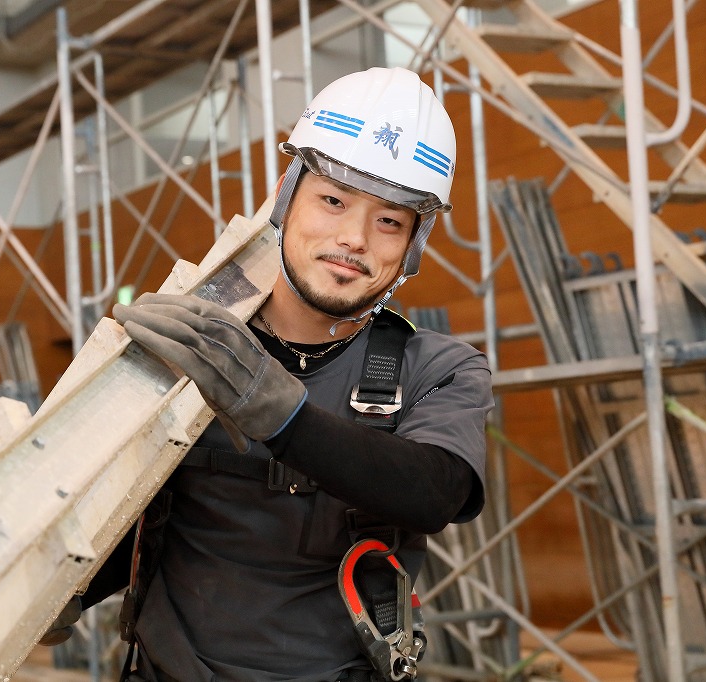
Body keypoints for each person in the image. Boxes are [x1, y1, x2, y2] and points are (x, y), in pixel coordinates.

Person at [45, 67, 493, 682]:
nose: (353, 238)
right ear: (287, 195)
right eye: (333, 200)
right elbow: (144, 508)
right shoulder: (195, 348)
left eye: (389, 221)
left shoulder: (437, 367)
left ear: (414, 243)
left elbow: (434, 492)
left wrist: (280, 412)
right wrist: (63, 584)